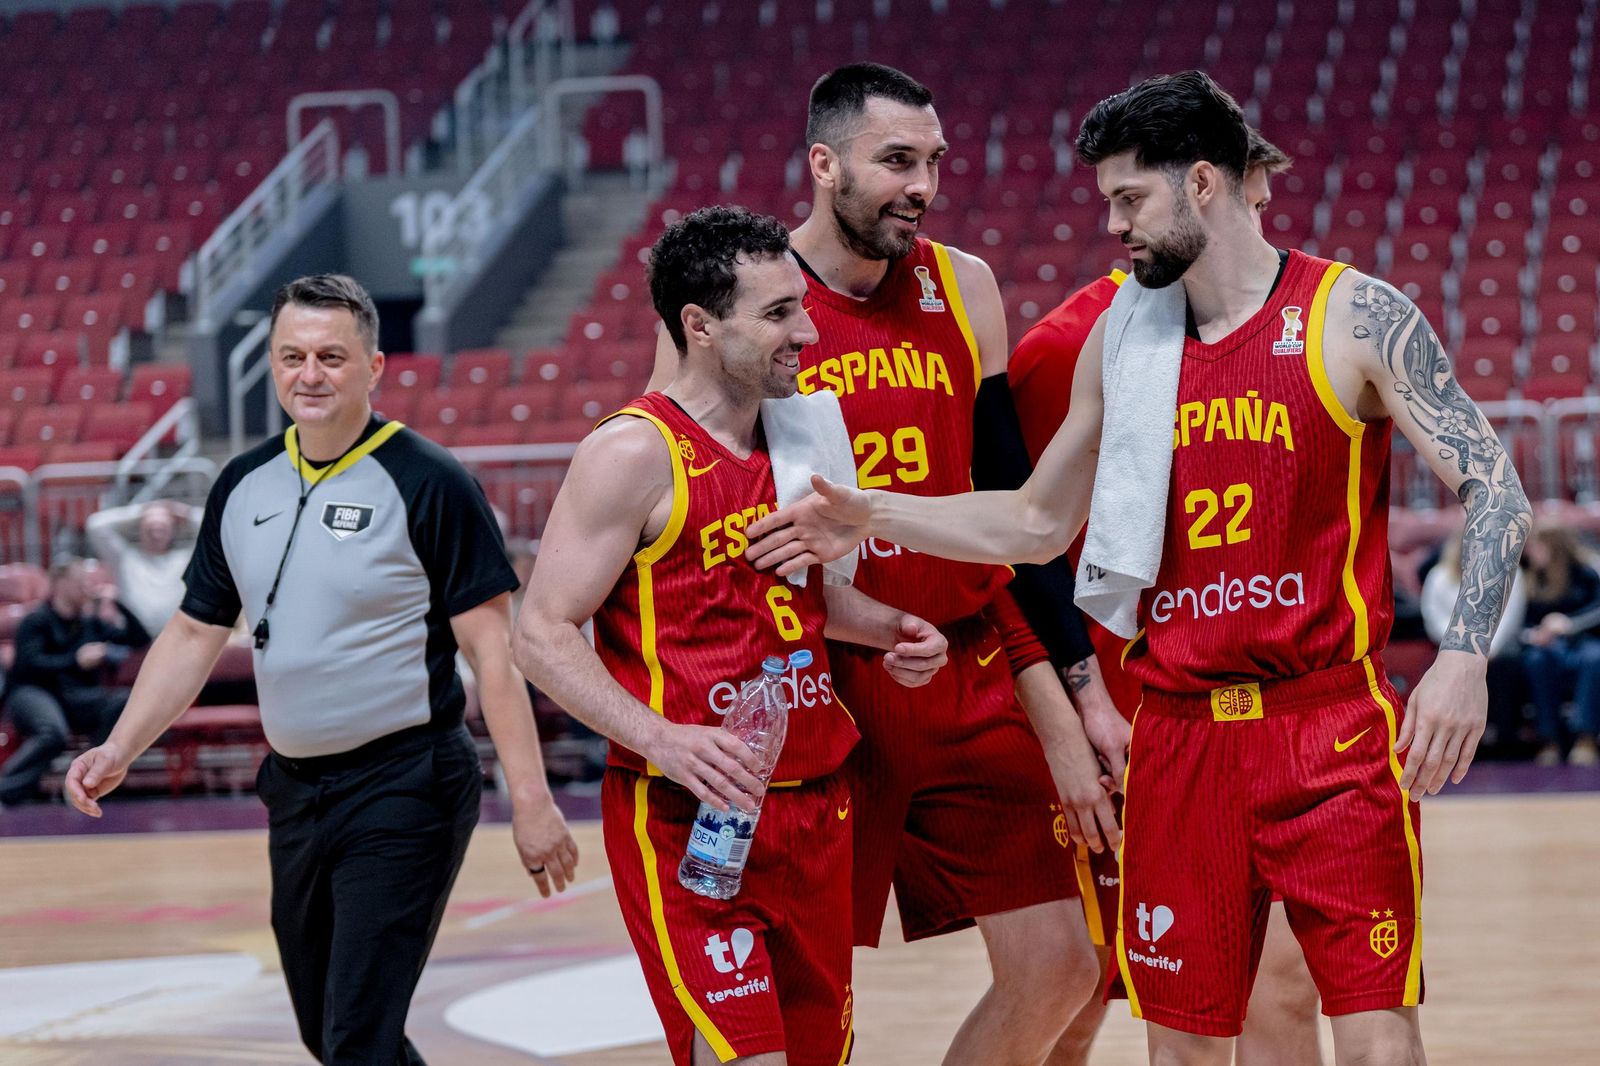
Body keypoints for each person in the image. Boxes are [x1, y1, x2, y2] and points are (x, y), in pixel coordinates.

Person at [746, 70, 1532, 1066]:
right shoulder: (1126, 338)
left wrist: (1464, 658)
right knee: (1183, 1044)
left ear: (1200, 184)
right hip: (1182, 741)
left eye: (1128, 201)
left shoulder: (1354, 315)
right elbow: (1033, 521)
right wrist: (869, 513)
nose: (1113, 227)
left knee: (1376, 1032)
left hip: (1326, 725)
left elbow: (1496, 489)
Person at [651, 63, 1120, 1064]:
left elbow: (1015, 508)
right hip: (819, 679)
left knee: (1063, 965)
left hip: (965, 657)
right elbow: (679, 489)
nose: (921, 183)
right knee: (807, 999)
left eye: (933, 162)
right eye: (895, 160)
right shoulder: (747, 296)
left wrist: (1071, 686)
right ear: (823, 164)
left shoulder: (966, 286)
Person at [63, 273, 578, 1066]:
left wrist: (534, 804)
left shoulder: (431, 482)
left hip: (407, 786)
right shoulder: (240, 485)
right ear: (270, 364)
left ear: (373, 368)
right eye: (291, 355)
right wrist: (119, 747)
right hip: (296, 790)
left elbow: (493, 656)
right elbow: (196, 632)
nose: (310, 374)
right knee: (326, 1030)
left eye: (332, 357)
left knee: (357, 1038)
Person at [514, 205, 950, 1066]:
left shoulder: (803, 435)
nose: (809, 332)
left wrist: (896, 629)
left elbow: (804, 601)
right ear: (700, 327)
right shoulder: (635, 453)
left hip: (818, 803)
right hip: (691, 812)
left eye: (802, 305)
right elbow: (541, 632)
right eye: (779, 313)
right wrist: (660, 737)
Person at [1012, 128, 1327, 1066]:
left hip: (1283, 707)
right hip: (1136, 712)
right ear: (1204, 186)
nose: (1264, 200)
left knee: (1285, 980)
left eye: (1264, 180)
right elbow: (1027, 543)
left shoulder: (1310, 320)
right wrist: (1080, 711)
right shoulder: (1068, 346)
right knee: (1098, 990)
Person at [0, 558, 150, 806]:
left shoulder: (91, 623)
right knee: (53, 732)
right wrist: (75, 661)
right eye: (80, 581)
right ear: (59, 584)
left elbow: (140, 639)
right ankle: (5, 791)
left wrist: (118, 603)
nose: (87, 587)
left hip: (76, 696)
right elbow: (27, 666)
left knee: (123, 701)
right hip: (33, 692)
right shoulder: (36, 621)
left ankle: (84, 777)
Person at [1516, 523, 1600, 766]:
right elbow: (1517, 621)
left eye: (1536, 546)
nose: (1530, 552)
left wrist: (1569, 624)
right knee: (1536, 660)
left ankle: (1586, 738)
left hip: (1584, 641)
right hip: (1545, 645)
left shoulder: (1585, 572)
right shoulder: (1528, 576)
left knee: (1594, 658)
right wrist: (1534, 634)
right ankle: (1549, 739)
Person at [85, 498, 203, 634]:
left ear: (172, 531)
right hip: (134, 638)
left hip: (177, 637)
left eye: (162, 529)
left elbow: (213, 525)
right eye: (150, 528)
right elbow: (95, 524)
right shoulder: (125, 558)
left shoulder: (184, 559)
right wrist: (142, 511)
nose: (156, 534)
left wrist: (181, 511)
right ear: (141, 528)